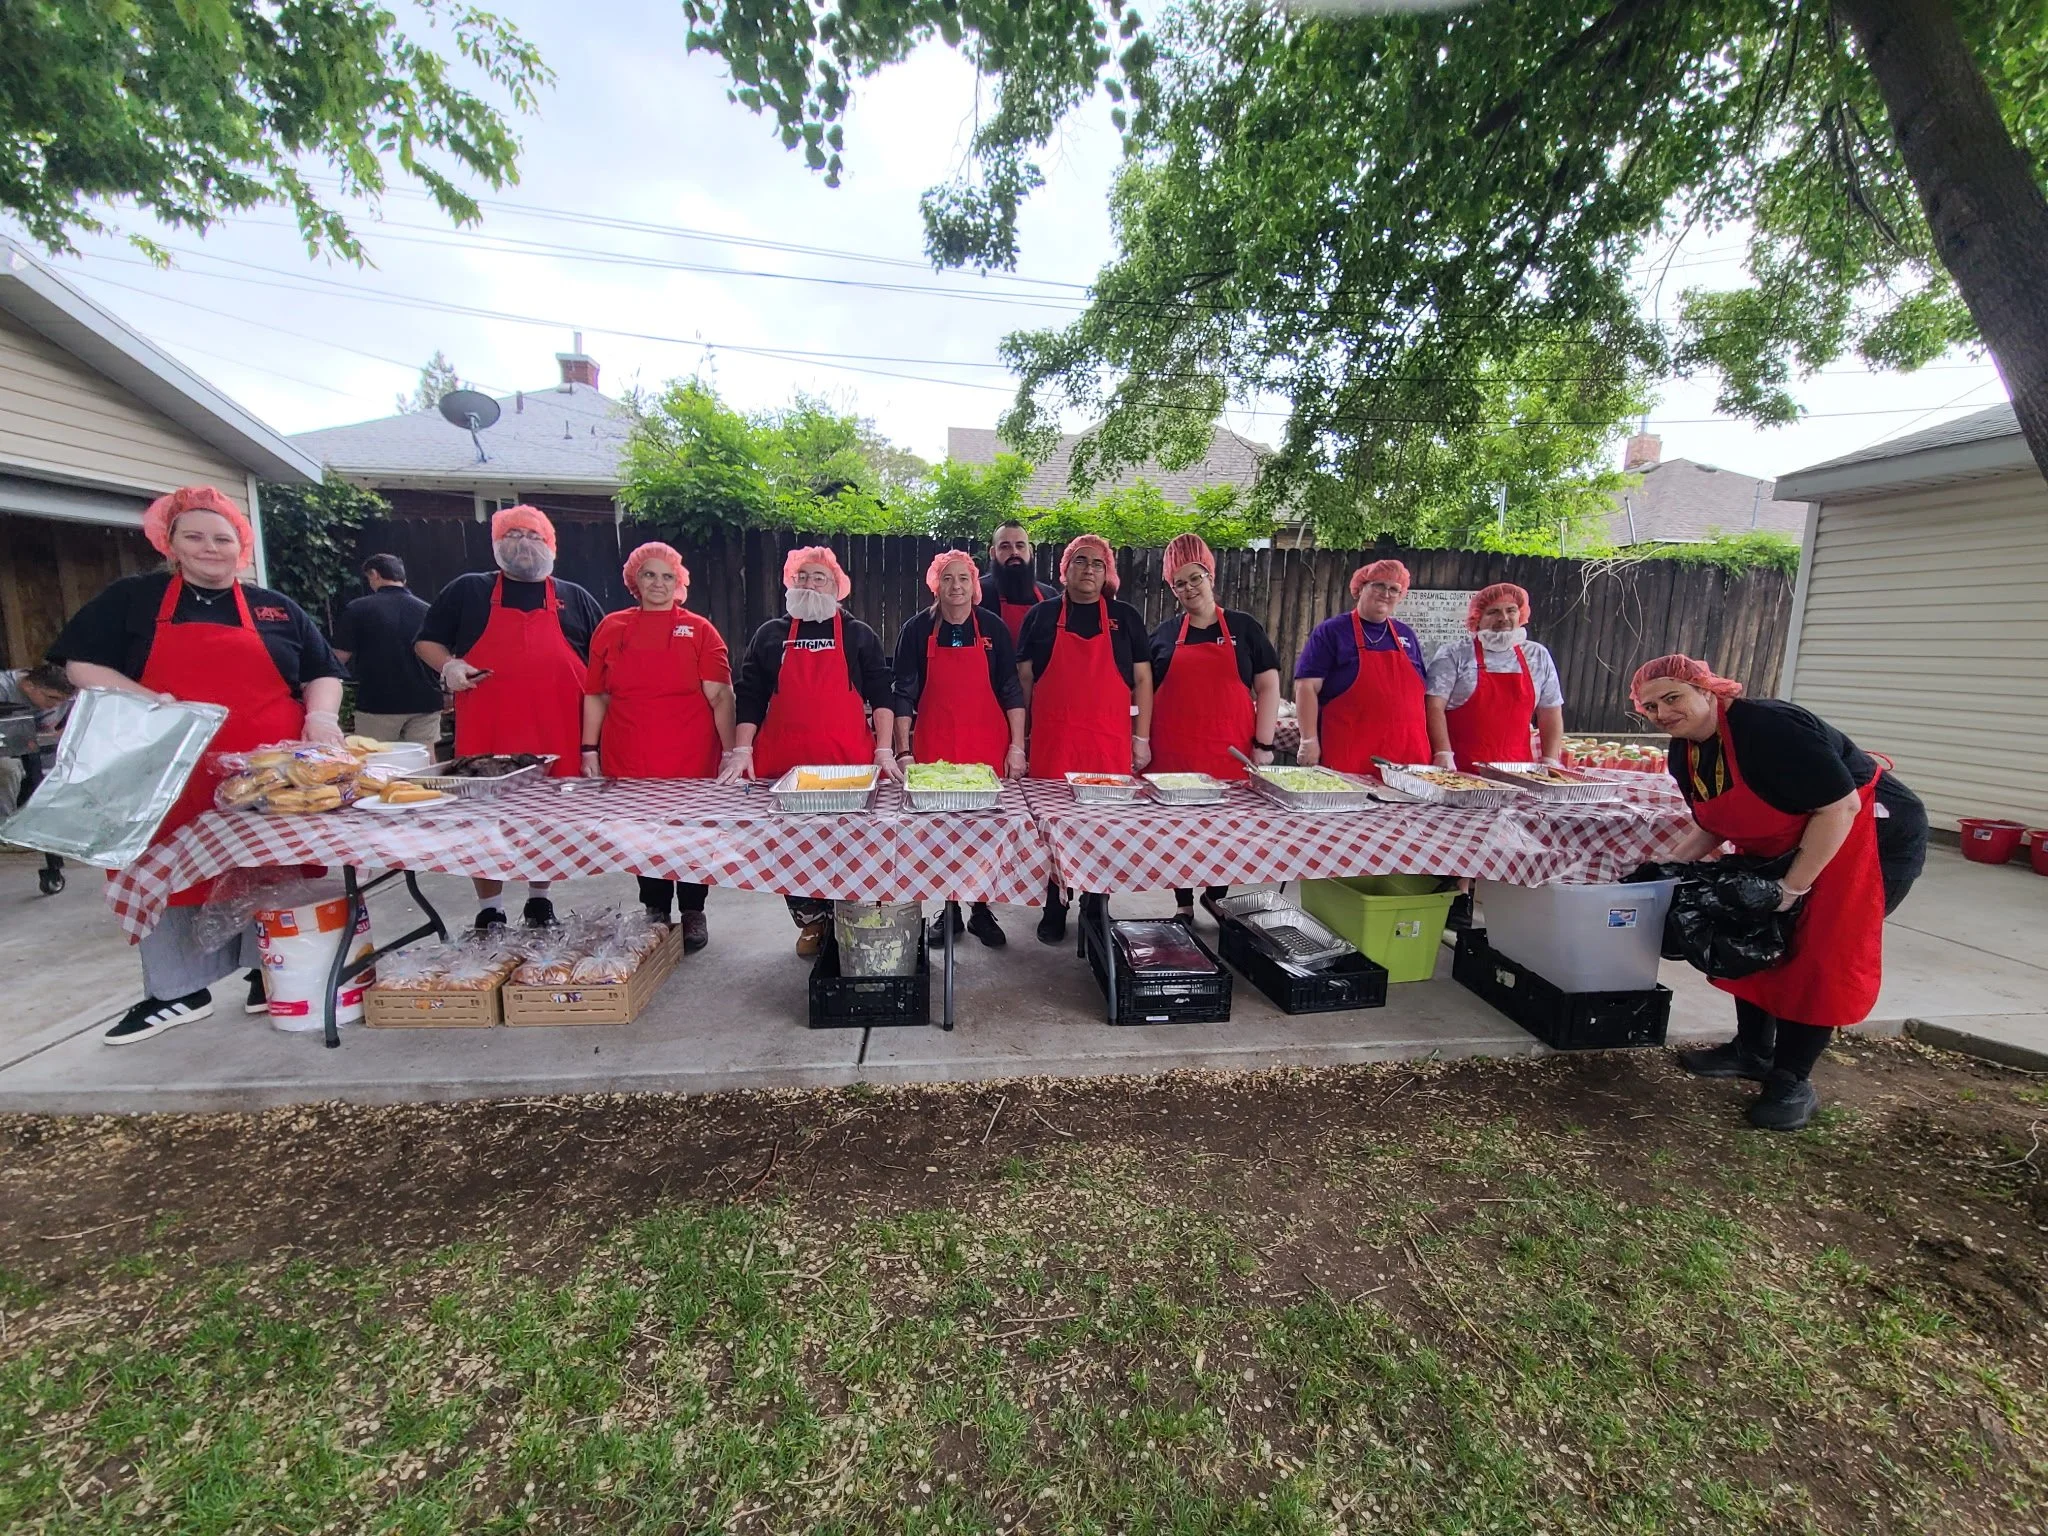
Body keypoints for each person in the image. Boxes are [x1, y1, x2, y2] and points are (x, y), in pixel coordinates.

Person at [47, 485, 345, 1045]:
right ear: (171, 544)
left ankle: (269, 976)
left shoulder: (272, 607)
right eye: (195, 537)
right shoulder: (134, 599)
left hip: (265, 774)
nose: (210, 548)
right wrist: (141, 696)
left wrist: (322, 718)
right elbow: (81, 664)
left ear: (241, 545)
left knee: (270, 869)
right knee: (167, 870)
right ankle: (178, 992)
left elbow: (322, 670)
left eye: (222, 537)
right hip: (167, 766)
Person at [1632, 654, 1929, 1132]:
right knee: (1750, 938)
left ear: (1708, 691)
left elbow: (1840, 808)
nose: (1663, 713)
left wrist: (1790, 889)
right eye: (1650, 707)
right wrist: (1670, 871)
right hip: (1782, 845)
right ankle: (1751, 1051)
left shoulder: (1770, 727)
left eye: (1673, 698)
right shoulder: (1684, 750)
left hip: (1866, 840)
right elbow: (1714, 822)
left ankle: (1792, 1080)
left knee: (1816, 956)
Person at [414, 505, 607, 931]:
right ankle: (491, 908)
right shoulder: (469, 591)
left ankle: (540, 900)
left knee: (547, 823)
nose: (524, 543)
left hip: (558, 730)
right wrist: (449, 666)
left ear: (550, 546)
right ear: (498, 544)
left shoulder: (576, 598)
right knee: (484, 825)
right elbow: (426, 642)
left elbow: (607, 663)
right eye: (514, 534)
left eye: (535, 536)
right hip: (488, 732)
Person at [719, 546, 901, 957]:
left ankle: (848, 919)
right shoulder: (770, 635)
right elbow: (749, 695)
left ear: (837, 587)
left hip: (848, 768)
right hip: (785, 769)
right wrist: (742, 750)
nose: (809, 583)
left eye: (819, 577)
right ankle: (812, 922)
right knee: (788, 852)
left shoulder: (858, 634)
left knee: (851, 849)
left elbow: (882, 694)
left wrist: (885, 750)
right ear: (790, 583)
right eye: (802, 576)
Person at [581, 542, 736, 952]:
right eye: (649, 574)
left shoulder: (700, 630)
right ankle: (653, 910)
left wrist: (731, 751)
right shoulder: (611, 628)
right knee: (641, 835)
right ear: (635, 579)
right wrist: (588, 748)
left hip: (690, 753)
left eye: (667, 576)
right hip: (628, 753)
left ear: (679, 583)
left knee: (689, 835)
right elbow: (595, 693)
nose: (658, 583)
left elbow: (721, 695)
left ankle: (692, 910)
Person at [1016, 534, 1154, 944]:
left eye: (1097, 563)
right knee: (1053, 829)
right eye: (1080, 561)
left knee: (1103, 829)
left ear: (1106, 571)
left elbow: (1143, 679)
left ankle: (1097, 903)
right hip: (1053, 743)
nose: (1089, 569)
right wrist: (1021, 736)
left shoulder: (1125, 617)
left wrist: (1141, 738)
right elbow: (1024, 679)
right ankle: (1054, 904)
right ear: (1065, 569)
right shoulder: (1041, 617)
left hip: (1106, 744)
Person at [893, 549, 1029, 948]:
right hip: (934, 746)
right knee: (939, 832)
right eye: (947, 579)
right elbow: (905, 693)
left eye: (963, 578)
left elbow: (1010, 689)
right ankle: (948, 910)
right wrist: (904, 751)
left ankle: (981, 910)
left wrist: (1017, 746)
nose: (956, 586)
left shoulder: (993, 628)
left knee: (984, 831)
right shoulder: (917, 630)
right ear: (936, 585)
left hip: (986, 743)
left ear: (975, 585)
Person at [1147, 533, 1283, 923]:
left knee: (1225, 834)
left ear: (1211, 576)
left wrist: (1264, 742)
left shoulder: (1245, 627)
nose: (1189, 588)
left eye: (1196, 578)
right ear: (1172, 589)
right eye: (1179, 582)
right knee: (1178, 834)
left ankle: (1216, 894)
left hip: (1229, 751)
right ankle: (1184, 903)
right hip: (1174, 752)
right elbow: (1147, 691)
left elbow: (1268, 684)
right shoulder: (1164, 634)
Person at [1293, 558, 1430, 774]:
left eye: (1394, 589)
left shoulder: (1407, 635)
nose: (1386, 593)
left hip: (1407, 756)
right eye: (1378, 585)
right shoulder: (1332, 632)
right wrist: (1309, 739)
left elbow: (1422, 693)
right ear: (1360, 588)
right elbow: (1306, 687)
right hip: (1349, 752)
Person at [1424, 582, 1566, 770]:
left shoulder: (1537, 655)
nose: (1504, 618)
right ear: (1477, 618)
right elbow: (1433, 707)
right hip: (1462, 770)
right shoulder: (1454, 654)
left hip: (1520, 771)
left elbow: (1550, 712)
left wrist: (1550, 759)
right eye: (1493, 612)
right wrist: (1443, 753)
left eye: (1511, 610)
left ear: (1521, 614)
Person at [331, 554, 444, 748]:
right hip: (426, 700)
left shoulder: (358, 609)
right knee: (424, 757)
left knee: (377, 761)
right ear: (403, 578)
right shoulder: (428, 610)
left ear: (374, 574)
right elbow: (442, 654)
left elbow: (338, 657)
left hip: (378, 701)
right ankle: (428, 780)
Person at [0, 662, 77, 895]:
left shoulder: (66, 701)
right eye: (51, 698)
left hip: (40, 754)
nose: (56, 705)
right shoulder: (4, 688)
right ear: (29, 686)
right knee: (9, 770)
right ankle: (4, 829)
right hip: (7, 752)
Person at [983, 519, 1060, 643]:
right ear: (993, 553)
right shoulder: (978, 594)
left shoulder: (1050, 596)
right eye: (1005, 546)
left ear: (1030, 551)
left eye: (1020, 546)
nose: (1014, 552)